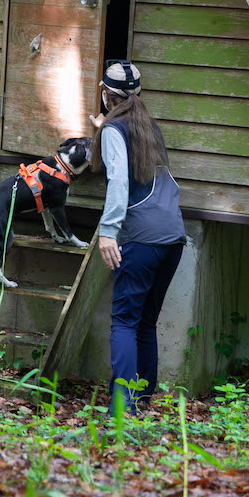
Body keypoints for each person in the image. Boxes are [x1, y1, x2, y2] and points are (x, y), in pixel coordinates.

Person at [89, 60, 186, 413]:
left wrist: (108, 232)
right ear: (138, 93)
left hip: (140, 238)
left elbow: (119, 181)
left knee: (125, 322)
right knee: (146, 321)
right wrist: (106, 129)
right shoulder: (150, 128)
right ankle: (143, 398)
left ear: (105, 94)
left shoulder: (116, 130)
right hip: (172, 238)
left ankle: (122, 408)